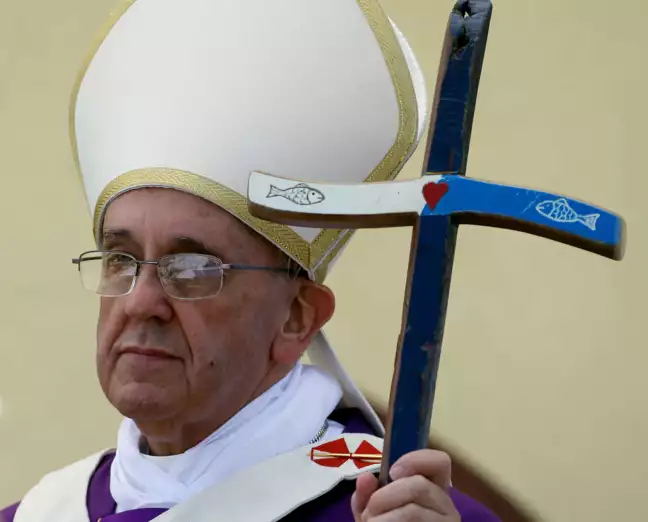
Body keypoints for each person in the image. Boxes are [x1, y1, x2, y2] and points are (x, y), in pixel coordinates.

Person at [1, 0, 500, 520]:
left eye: (192, 268)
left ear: (296, 318)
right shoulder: (39, 513)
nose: (141, 302)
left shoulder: (401, 511)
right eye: (121, 260)